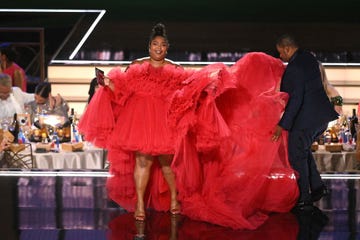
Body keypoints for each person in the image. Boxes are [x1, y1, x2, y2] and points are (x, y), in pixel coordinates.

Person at [79, 24, 299, 230]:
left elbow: (190, 88)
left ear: (167, 48)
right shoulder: (136, 66)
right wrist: (107, 83)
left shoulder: (176, 69)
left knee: (167, 163)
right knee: (143, 161)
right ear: (149, 46)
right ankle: (139, 205)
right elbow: (123, 90)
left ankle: (175, 198)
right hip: (139, 121)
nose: (159, 48)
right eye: (155, 44)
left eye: (163, 45)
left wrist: (211, 82)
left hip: (165, 121)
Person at [272, 34, 339, 210]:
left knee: (295, 154)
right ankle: (317, 188)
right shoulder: (308, 58)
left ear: (287, 48)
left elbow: (296, 99)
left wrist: (282, 124)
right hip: (320, 117)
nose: (280, 57)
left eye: (281, 53)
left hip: (306, 120)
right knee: (302, 151)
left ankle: (304, 198)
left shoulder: (295, 68)